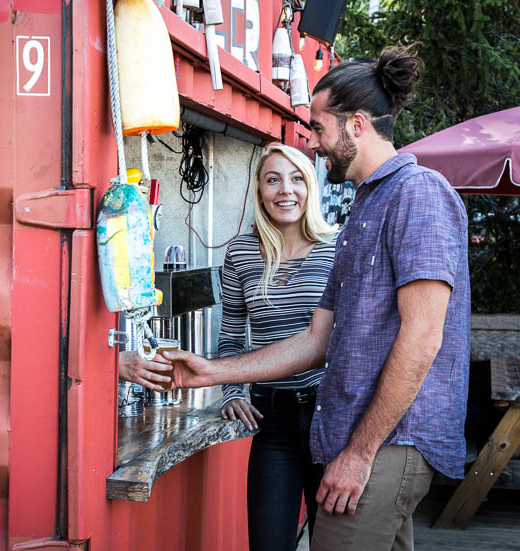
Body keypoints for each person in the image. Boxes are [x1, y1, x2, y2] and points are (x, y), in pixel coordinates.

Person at [164, 45, 470, 551]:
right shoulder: (364, 209)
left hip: (388, 441)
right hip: (358, 436)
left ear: (355, 125)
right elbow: (314, 340)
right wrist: (213, 371)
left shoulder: (418, 193)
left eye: (318, 128)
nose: (314, 142)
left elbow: (422, 338)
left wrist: (359, 453)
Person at [216, 143, 337, 551]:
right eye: (273, 179)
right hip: (273, 419)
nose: (286, 190)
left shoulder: (338, 248)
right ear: (259, 190)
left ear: (311, 187)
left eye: (297, 178)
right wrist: (232, 391)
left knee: (336, 542)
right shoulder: (241, 252)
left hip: (332, 415)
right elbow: (232, 333)